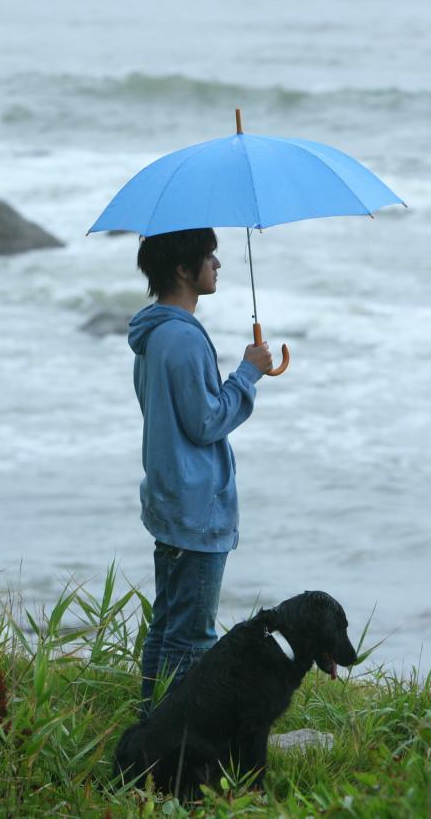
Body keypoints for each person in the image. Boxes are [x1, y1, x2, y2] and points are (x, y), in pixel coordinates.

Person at [127, 227, 273, 714]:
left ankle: (150, 728)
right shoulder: (183, 339)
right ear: (182, 270)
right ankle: (175, 746)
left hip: (169, 498)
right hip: (195, 508)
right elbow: (206, 421)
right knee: (192, 639)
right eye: (208, 258)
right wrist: (248, 373)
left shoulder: (152, 334)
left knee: (167, 628)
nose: (217, 265)